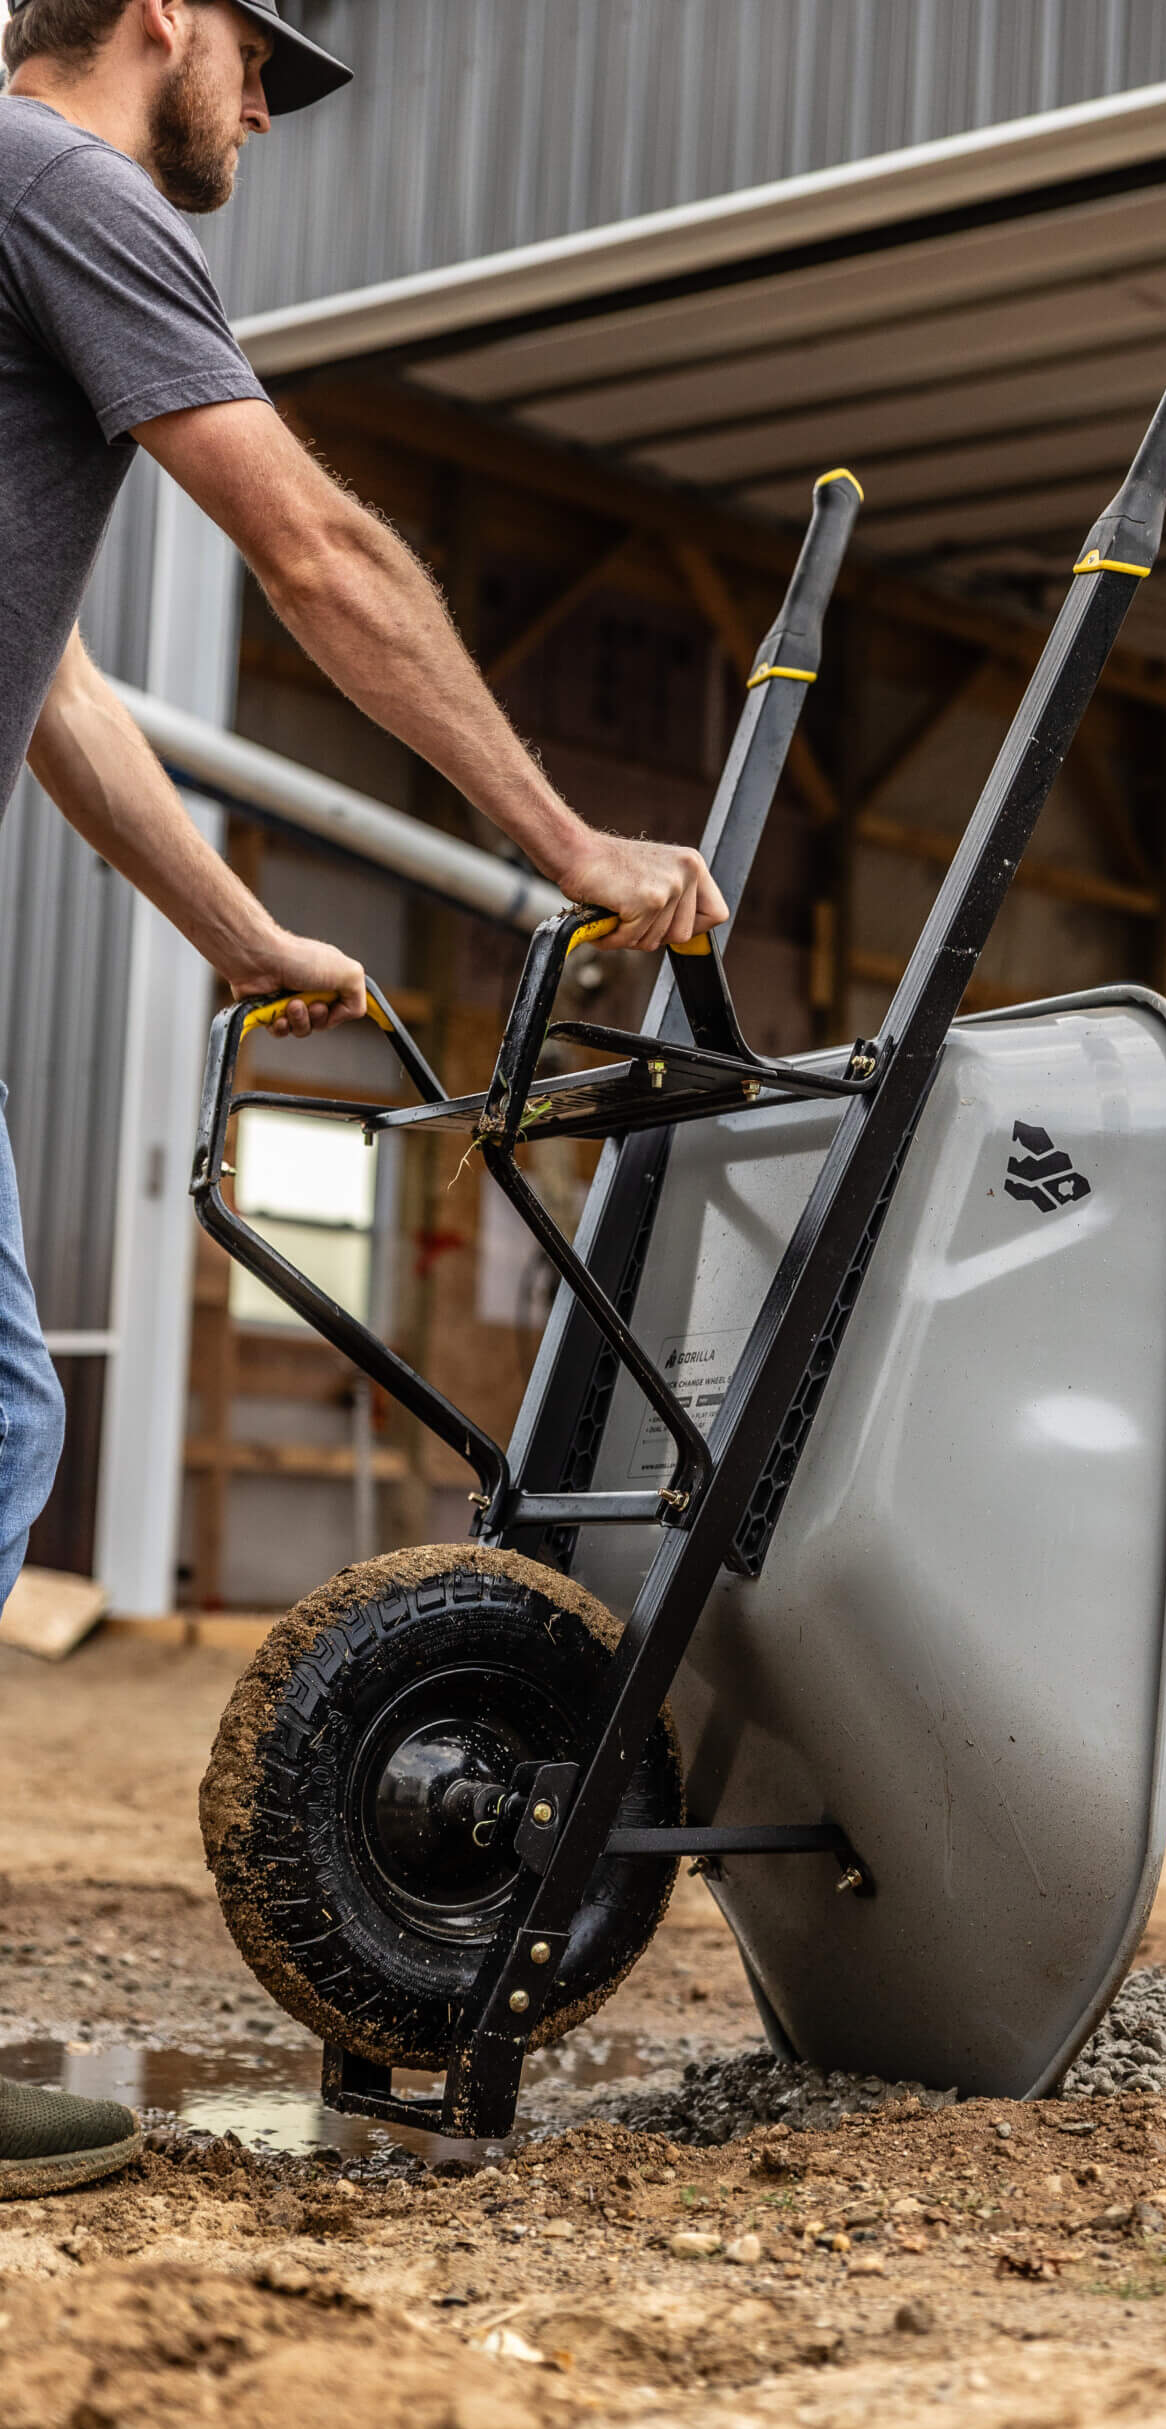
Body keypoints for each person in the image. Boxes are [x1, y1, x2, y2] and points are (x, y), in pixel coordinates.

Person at [0, 0, 727, 2196]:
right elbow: (309, 547)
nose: (263, 119)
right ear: (162, 17)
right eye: (256, 65)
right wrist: (571, 850)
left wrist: (228, 922)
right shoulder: (74, 186)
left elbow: (51, 677)